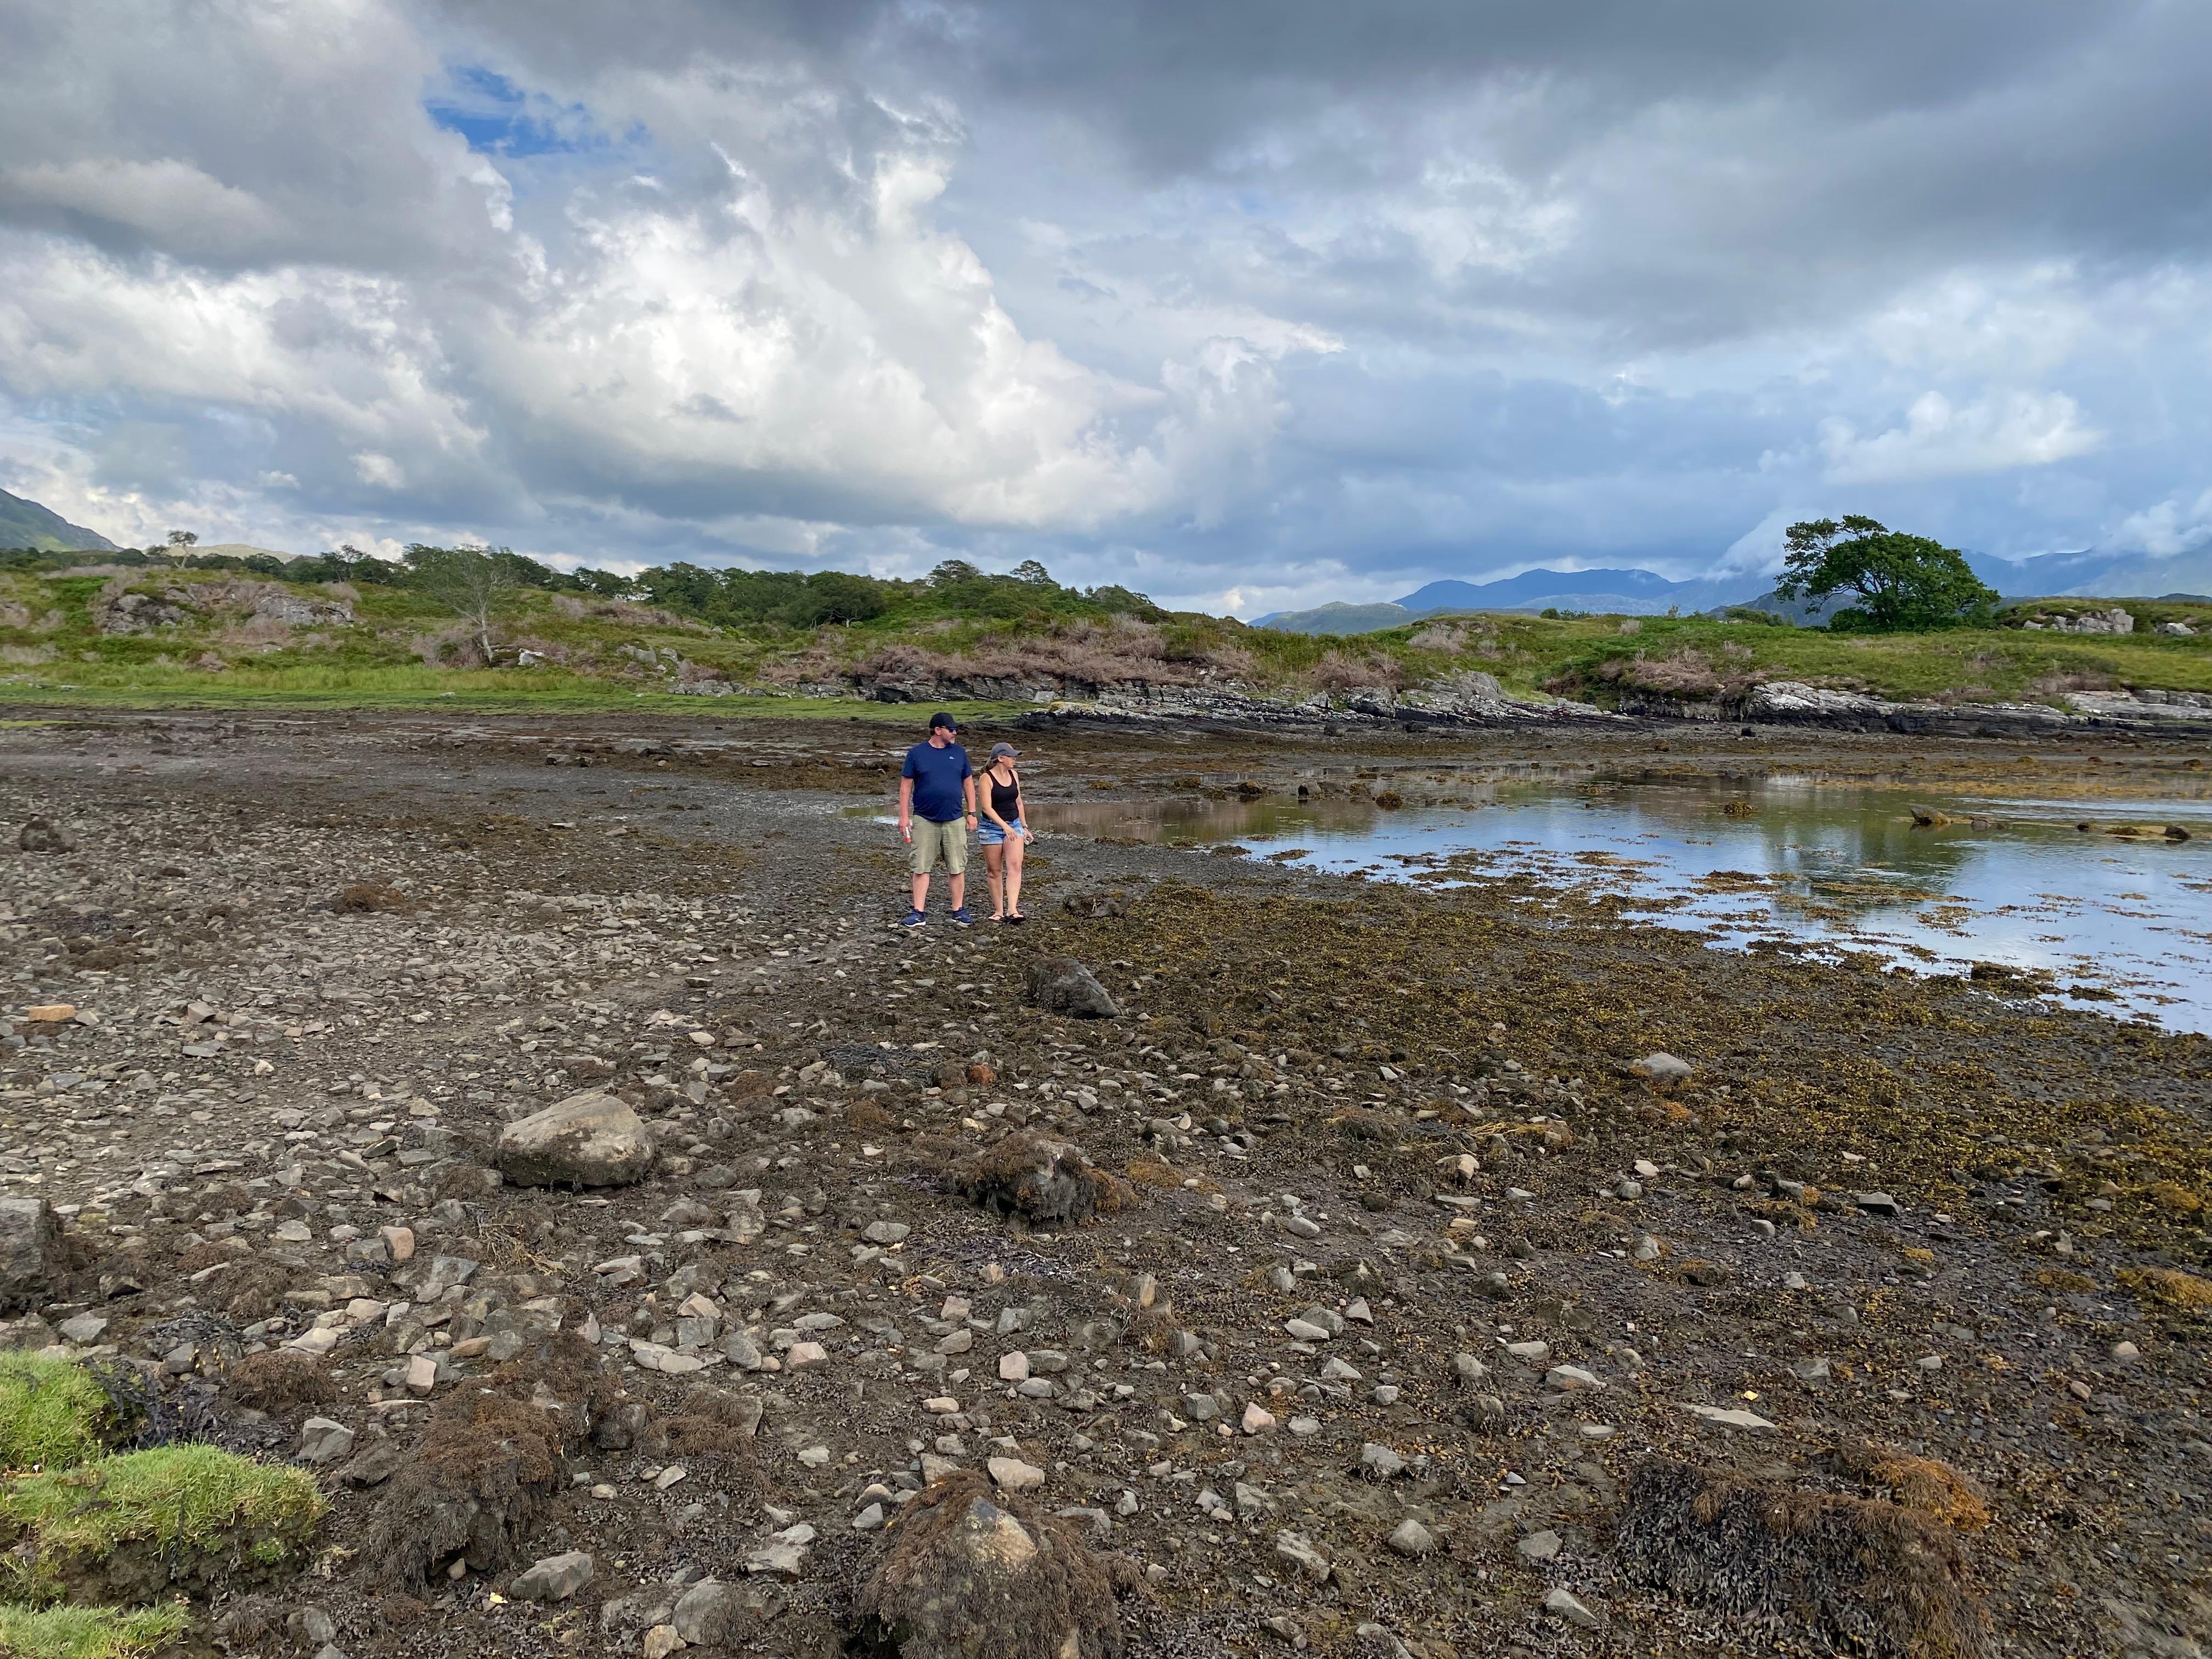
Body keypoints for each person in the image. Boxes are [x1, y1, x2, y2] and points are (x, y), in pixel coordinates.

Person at [896, 712, 977, 927]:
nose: (955, 732)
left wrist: (972, 813)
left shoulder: (959, 753)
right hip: (924, 819)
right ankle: (918, 912)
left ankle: (958, 910)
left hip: (954, 819)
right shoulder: (916, 754)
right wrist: (904, 817)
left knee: (957, 866)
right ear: (938, 730)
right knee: (921, 866)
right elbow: (906, 787)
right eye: (951, 729)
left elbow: (968, 783)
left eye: (955, 729)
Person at [976, 740, 1032, 923]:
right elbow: (987, 808)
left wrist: (1024, 827)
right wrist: (1004, 827)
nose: (1015, 759)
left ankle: (1013, 909)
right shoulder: (986, 778)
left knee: (1015, 867)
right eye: (1011, 756)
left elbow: (1019, 802)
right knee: (994, 870)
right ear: (1000, 758)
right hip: (991, 828)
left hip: (1014, 825)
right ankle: (998, 911)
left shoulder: (1014, 775)